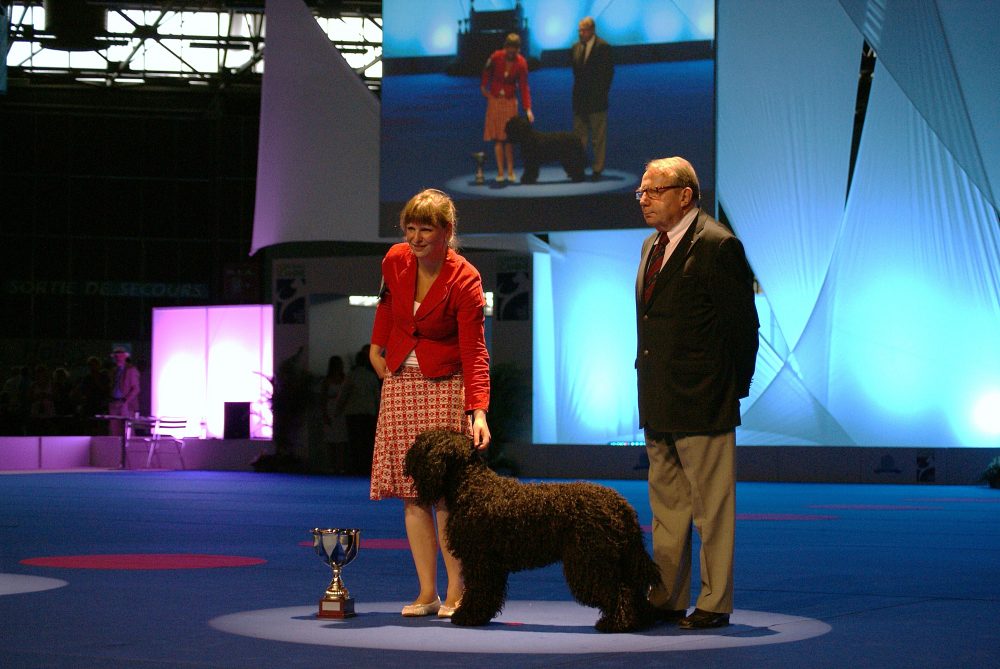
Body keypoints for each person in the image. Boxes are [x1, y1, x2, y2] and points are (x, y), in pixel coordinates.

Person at [634, 157, 759, 630]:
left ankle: (714, 602)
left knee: (712, 512)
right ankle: (666, 597)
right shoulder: (651, 245)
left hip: (705, 400)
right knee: (666, 510)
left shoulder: (718, 244)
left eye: (654, 191)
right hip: (658, 397)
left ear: (685, 195)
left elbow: (743, 329)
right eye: (642, 192)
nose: (644, 199)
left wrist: (731, 390)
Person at [368, 188, 491, 619]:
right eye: (410, 228)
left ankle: (457, 590)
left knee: (446, 495)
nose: (415, 238)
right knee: (412, 493)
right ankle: (427, 592)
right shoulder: (394, 259)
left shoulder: (465, 278)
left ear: (447, 231)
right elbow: (388, 304)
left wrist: (478, 410)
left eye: (426, 229)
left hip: (446, 385)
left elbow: (475, 350)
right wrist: (376, 347)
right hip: (401, 382)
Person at [481, 32, 534, 183]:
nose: (511, 51)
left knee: (509, 139)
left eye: (514, 49)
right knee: (498, 139)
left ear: (518, 49)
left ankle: (510, 171)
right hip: (495, 100)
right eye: (509, 48)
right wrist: (484, 87)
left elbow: (524, 87)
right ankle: (500, 172)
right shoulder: (496, 56)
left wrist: (528, 108)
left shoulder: (521, 63)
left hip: (510, 102)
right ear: (505, 47)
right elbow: (486, 71)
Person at [571, 16, 613, 179]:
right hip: (579, 100)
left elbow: (608, 74)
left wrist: (601, 93)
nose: (581, 33)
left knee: (598, 137)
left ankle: (597, 168)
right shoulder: (575, 48)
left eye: (584, 30)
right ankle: (579, 167)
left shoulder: (603, 47)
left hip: (597, 100)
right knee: (578, 137)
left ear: (592, 30)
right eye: (579, 30)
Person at [336, 345, 381, 475]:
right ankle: (366, 467)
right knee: (367, 442)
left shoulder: (351, 376)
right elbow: (377, 396)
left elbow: (344, 394)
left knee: (354, 441)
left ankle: (355, 467)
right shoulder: (371, 376)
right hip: (368, 414)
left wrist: (338, 409)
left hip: (353, 413)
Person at [319, 355, 349, 473]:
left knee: (341, 440)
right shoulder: (327, 380)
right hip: (330, 409)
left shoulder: (345, 379)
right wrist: (324, 414)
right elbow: (323, 398)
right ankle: (331, 466)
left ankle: (341, 465)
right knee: (330, 439)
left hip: (342, 410)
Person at [108, 345, 141, 436]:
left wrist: (126, 400)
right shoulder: (114, 370)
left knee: (127, 430)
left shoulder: (131, 370)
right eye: (116, 356)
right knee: (114, 430)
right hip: (114, 402)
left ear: (125, 356)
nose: (118, 358)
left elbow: (136, 389)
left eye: (120, 355)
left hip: (125, 403)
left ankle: (128, 445)